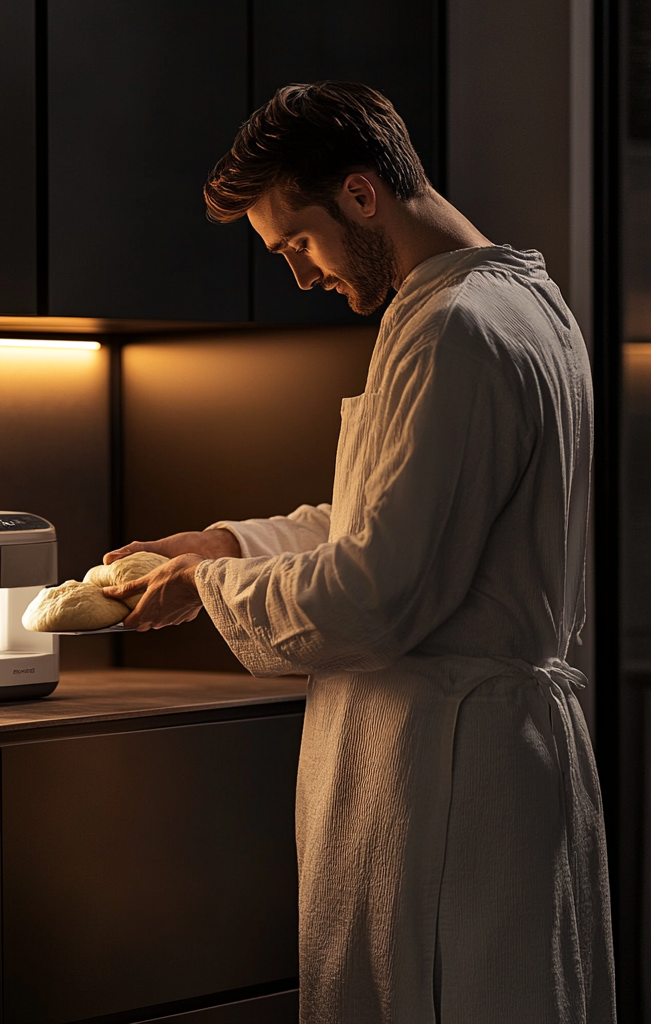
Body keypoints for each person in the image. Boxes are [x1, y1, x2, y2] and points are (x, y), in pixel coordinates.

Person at [99, 82, 616, 1024]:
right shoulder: (530, 306)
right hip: (500, 752)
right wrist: (223, 544)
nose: (298, 274)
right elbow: (388, 514)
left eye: (298, 241)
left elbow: (379, 587)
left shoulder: (451, 327)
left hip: (451, 775)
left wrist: (213, 587)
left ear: (362, 194)